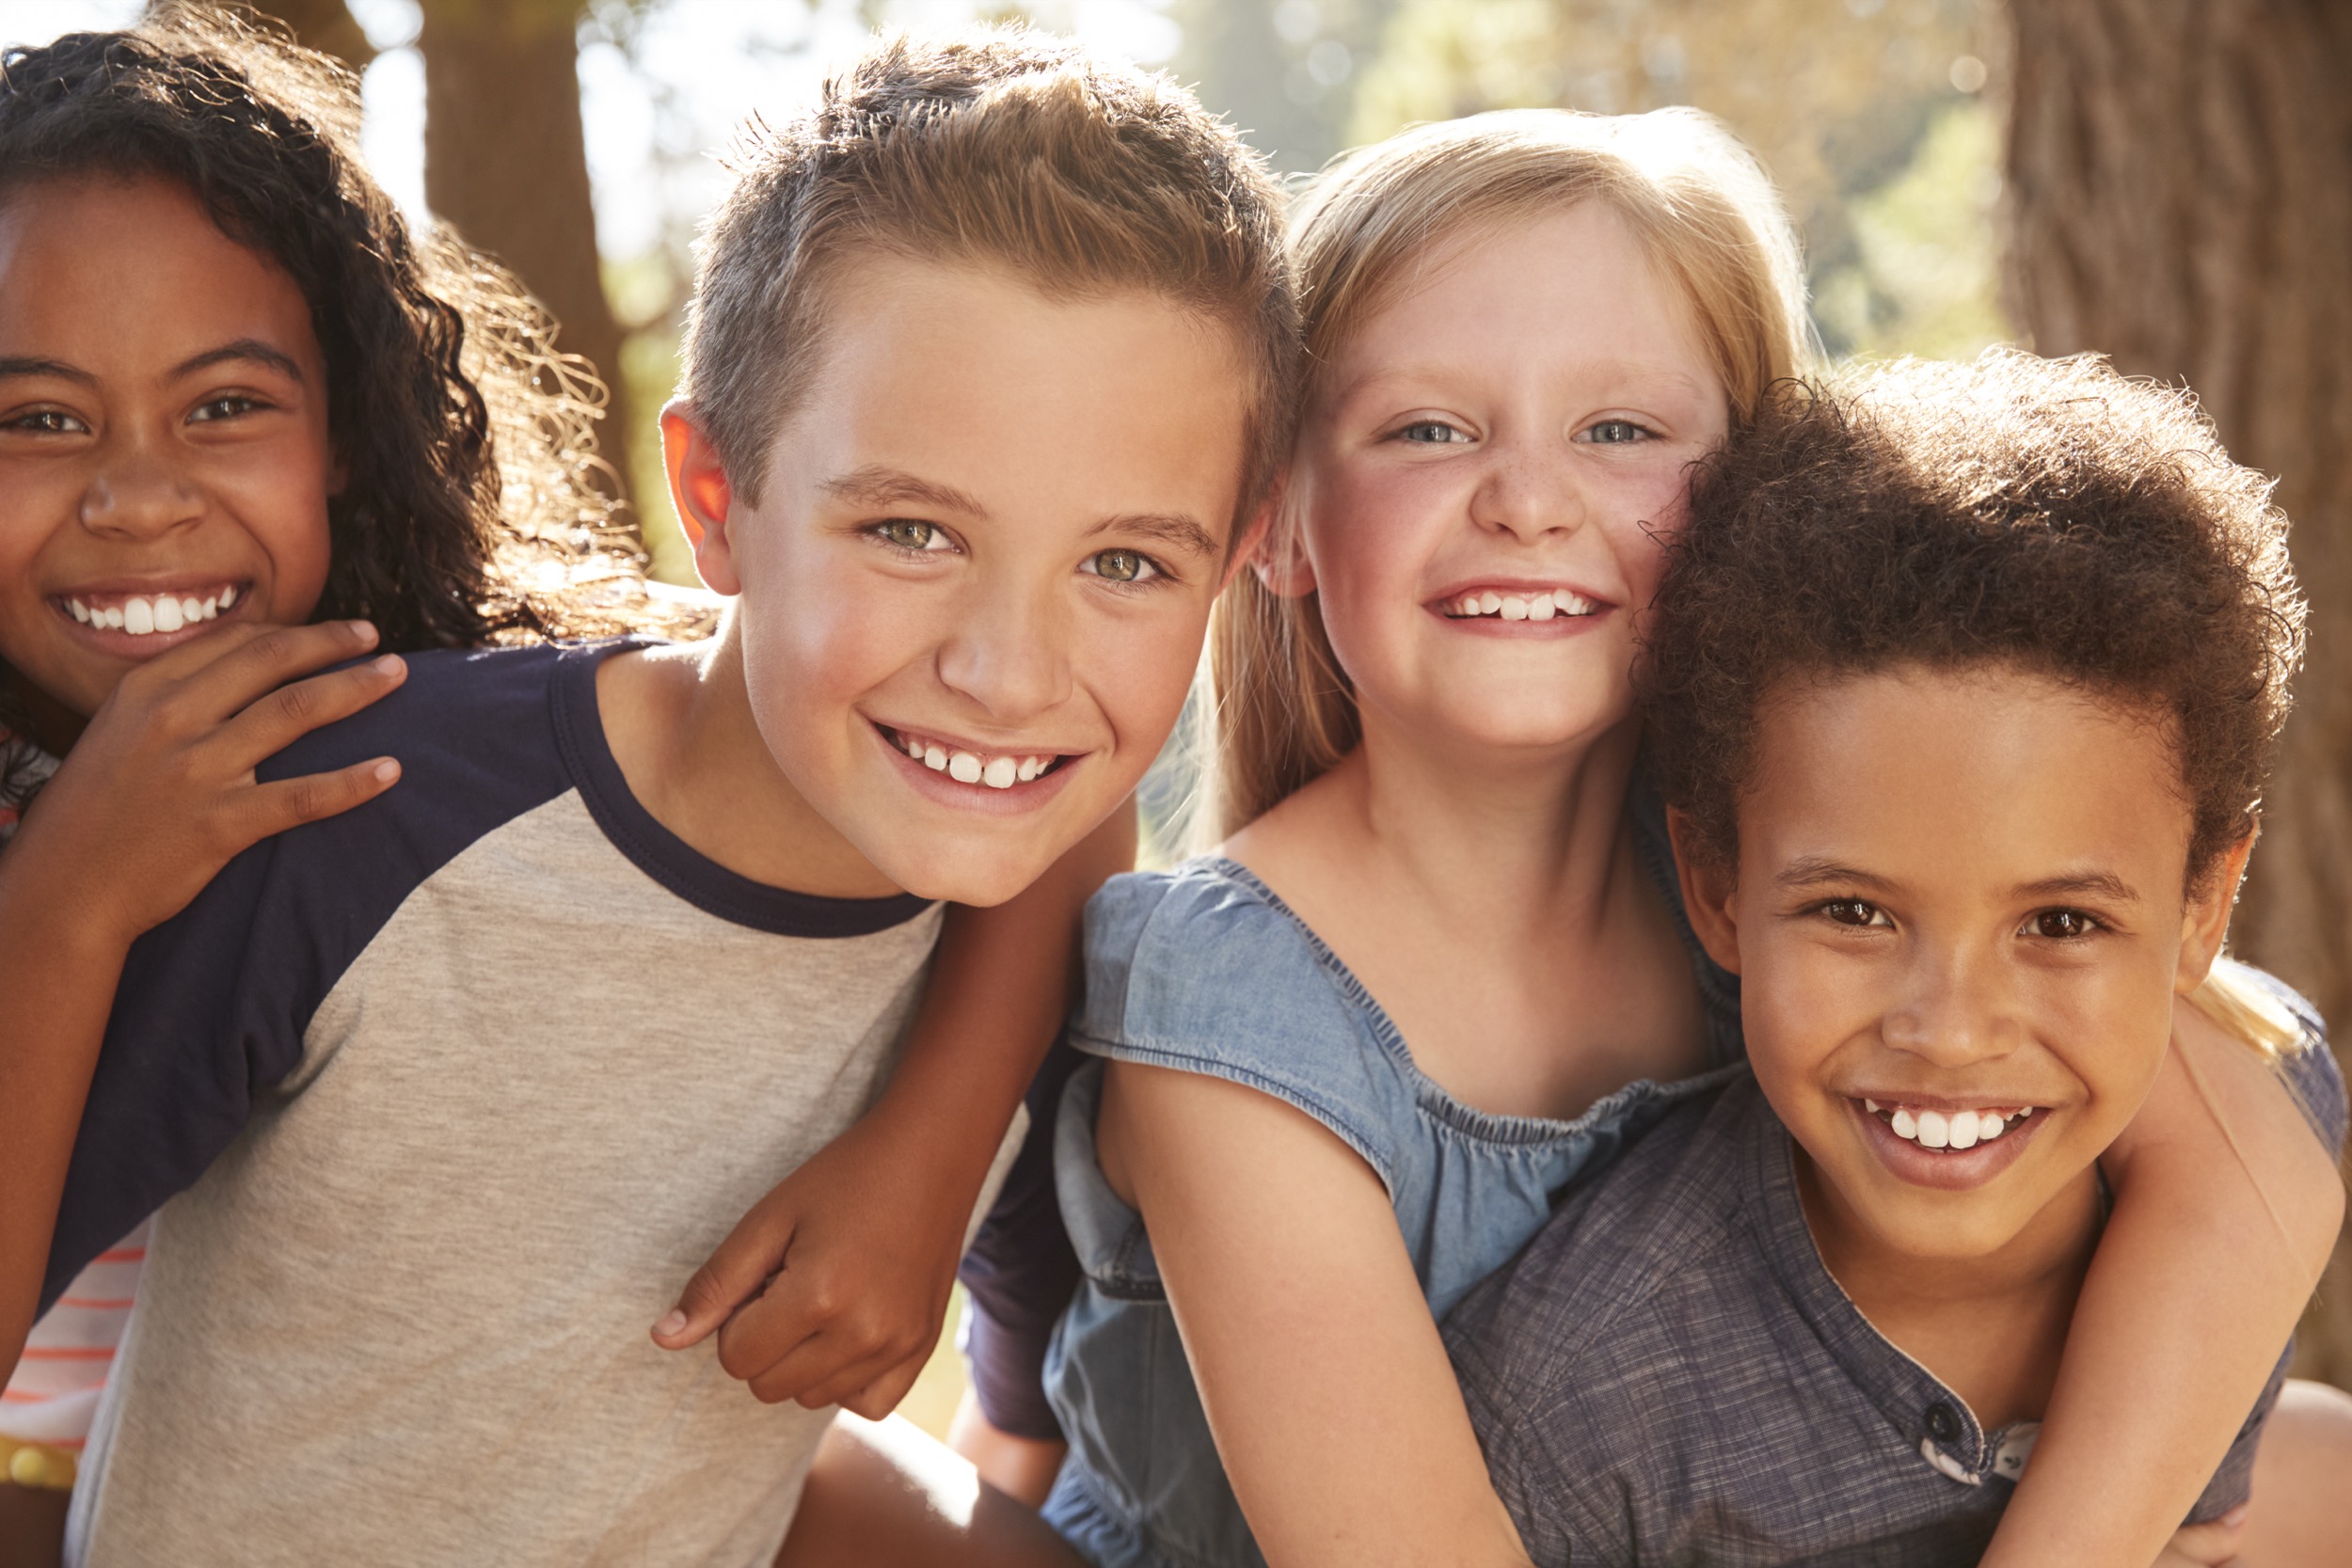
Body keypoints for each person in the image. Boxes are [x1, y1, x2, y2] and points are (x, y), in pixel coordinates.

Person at [965, 109, 2344, 1568]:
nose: (1527, 497)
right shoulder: (1231, 1003)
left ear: (1756, 508)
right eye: (1428, 429)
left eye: (1619, 431)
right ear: (1283, 523)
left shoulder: (1811, 866)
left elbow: (2251, 1142)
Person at [1, 24, 1295, 1568]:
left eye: (1127, 563)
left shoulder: (1022, 897)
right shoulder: (359, 813)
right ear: (715, 502)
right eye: (911, 533)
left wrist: (930, 1150)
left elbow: (1026, 1358)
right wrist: (64, 905)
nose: (1011, 674)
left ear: (1243, 556)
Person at [1444, 350, 2352, 1566]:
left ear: (2203, 908)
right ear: (1717, 887)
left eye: (2062, 924)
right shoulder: (1580, 1404)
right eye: (1856, 914)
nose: (1953, 1027)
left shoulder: (2270, 1095)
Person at [0, 8, 656, 1557]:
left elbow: (971, 722)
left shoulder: (496, 725)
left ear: (350, 432)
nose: (138, 496)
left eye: (224, 407)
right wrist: (72, 894)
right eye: (36, 419)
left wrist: (921, 1167)